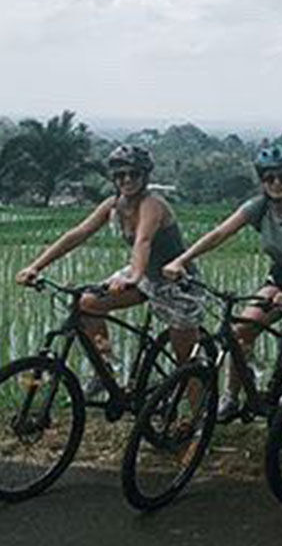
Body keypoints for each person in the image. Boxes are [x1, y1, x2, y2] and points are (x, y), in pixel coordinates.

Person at [162, 144, 282, 420]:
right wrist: (182, 260)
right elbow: (219, 234)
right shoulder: (258, 207)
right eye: (269, 178)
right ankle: (231, 398)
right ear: (262, 181)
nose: (276, 183)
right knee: (241, 331)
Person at [15, 144, 205, 386]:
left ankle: (198, 410)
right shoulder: (114, 205)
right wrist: (36, 266)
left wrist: (133, 278)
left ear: (145, 176)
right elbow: (78, 233)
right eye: (120, 175)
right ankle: (105, 368)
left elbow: (143, 240)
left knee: (186, 365)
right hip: (145, 274)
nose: (127, 180)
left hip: (176, 283)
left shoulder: (152, 204)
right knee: (87, 303)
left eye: (134, 174)